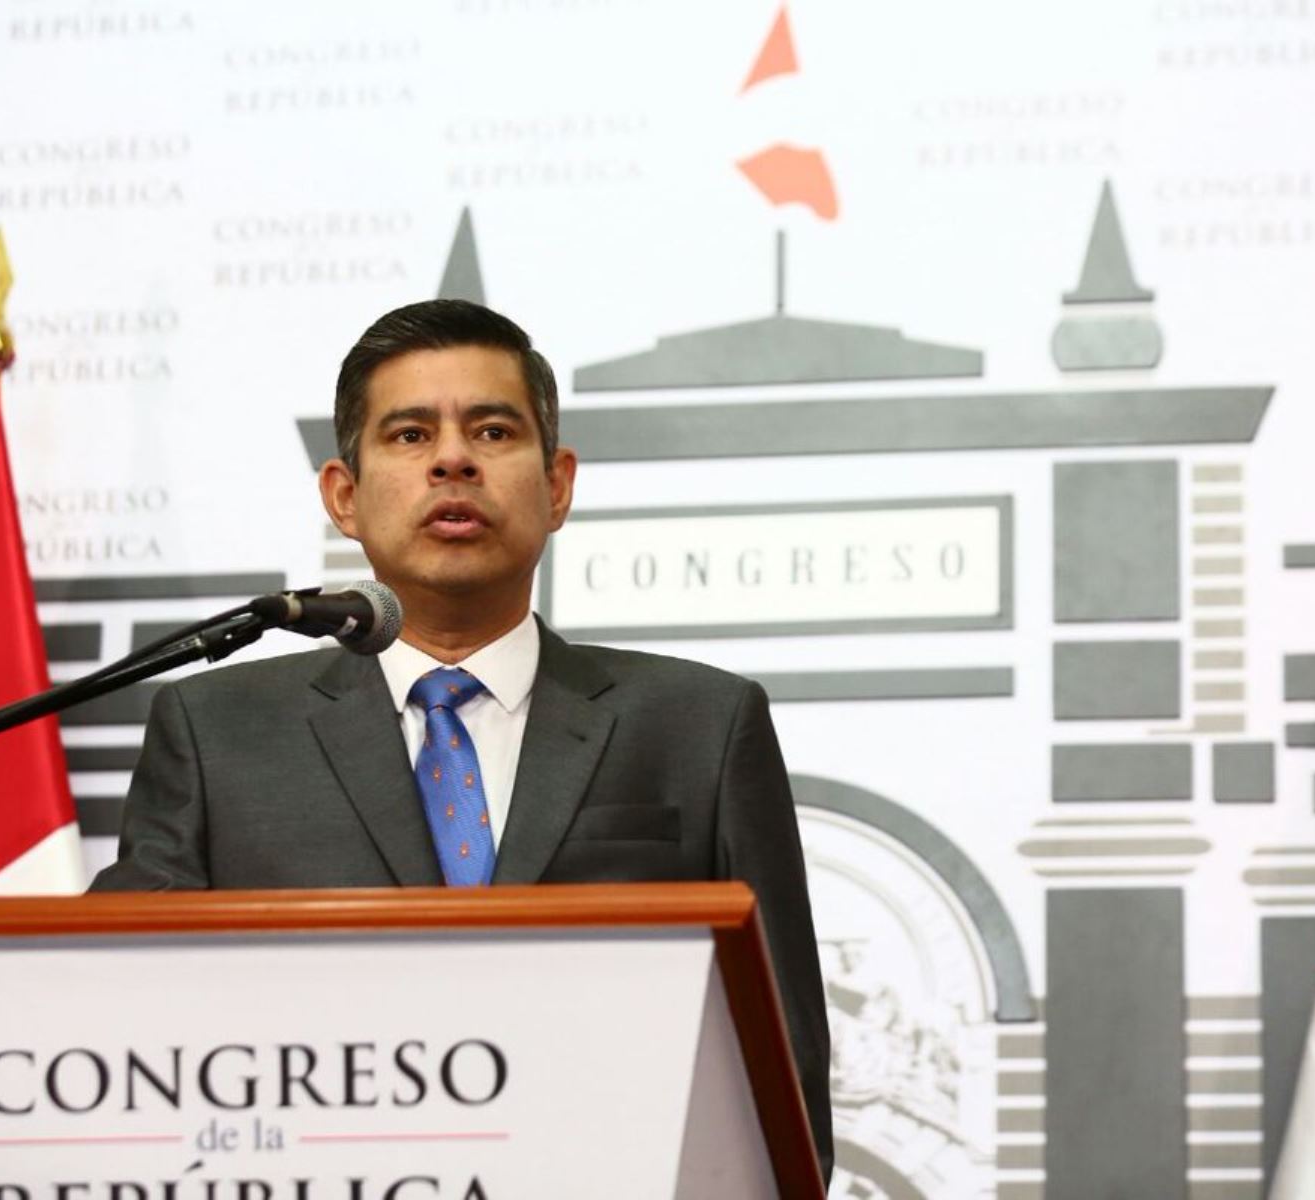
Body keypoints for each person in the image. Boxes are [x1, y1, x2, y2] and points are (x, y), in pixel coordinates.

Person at [92, 299, 833, 1180]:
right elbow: (127, 1031)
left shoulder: (700, 725)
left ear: (556, 485)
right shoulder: (217, 733)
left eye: (491, 430)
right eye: (409, 436)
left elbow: (782, 1081)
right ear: (344, 495)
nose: (452, 458)